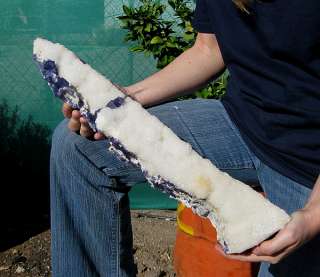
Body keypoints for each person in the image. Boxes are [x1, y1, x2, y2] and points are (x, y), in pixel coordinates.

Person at [50, 0, 320, 276]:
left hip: (307, 160)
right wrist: (124, 100)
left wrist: (312, 216)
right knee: (77, 148)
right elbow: (209, 49)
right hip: (241, 121)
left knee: (283, 258)